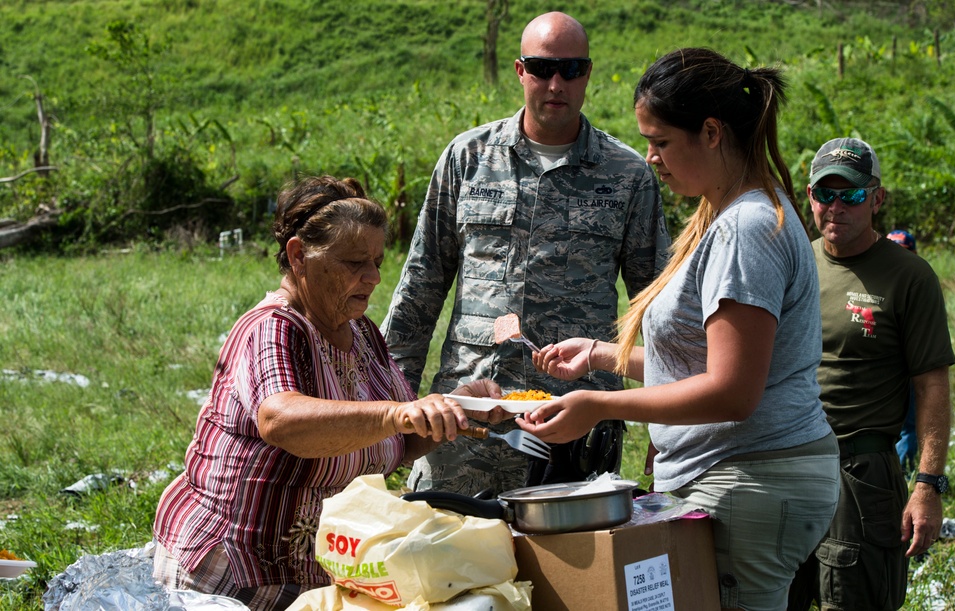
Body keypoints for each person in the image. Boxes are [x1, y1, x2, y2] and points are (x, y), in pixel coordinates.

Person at [520, 48, 840, 610]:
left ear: (711, 132)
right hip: (743, 476)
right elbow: (709, 361)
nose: (652, 158)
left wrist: (600, 405)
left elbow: (733, 390)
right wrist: (601, 355)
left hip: (750, 478)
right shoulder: (732, 216)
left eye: (662, 142)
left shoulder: (745, 228)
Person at [152, 176, 499, 611]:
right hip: (233, 574)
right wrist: (396, 413)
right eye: (355, 262)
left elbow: (397, 441)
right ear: (299, 256)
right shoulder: (273, 328)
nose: (373, 277)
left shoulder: (362, 334)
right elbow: (280, 421)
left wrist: (458, 406)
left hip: (313, 574)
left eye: (376, 261)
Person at [380, 11, 670, 496]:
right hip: (467, 415)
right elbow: (420, 287)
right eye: (541, 69)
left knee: (571, 568)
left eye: (571, 70)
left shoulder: (627, 174)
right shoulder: (467, 158)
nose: (556, 83)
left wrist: (666, 426)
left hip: (572, 421)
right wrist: (390, 404)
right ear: (520, 71)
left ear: (588, 74)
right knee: (448, 560)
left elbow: (657, 309)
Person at [787, 139, 955, 611]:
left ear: (877, 198)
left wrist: (928, 485)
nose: (837, 207)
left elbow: (932, 385)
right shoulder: (794, 261)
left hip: (859, 473)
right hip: (787, 464)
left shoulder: (909, 277)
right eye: (826, 195)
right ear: (810, 196)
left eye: (853, 195)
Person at [886, 229, 919, 475]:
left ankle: (902, 473)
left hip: (908, 367)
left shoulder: (918, 284)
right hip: (880, 371)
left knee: (908, 424)